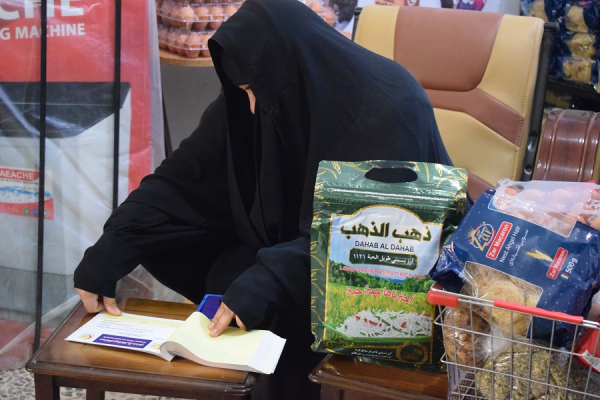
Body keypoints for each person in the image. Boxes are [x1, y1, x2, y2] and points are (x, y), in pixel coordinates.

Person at [74, 0, 454, 398]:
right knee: (230, 280)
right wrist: (117, 241)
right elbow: (186, 176)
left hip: (382, 276)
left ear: (284, 71)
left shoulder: (388, 103)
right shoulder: (264, 88)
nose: (252, 105)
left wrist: (270, 279)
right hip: (296, 250)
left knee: (265, 299)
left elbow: (378, 239)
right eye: (243, 91)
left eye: (252, 89)